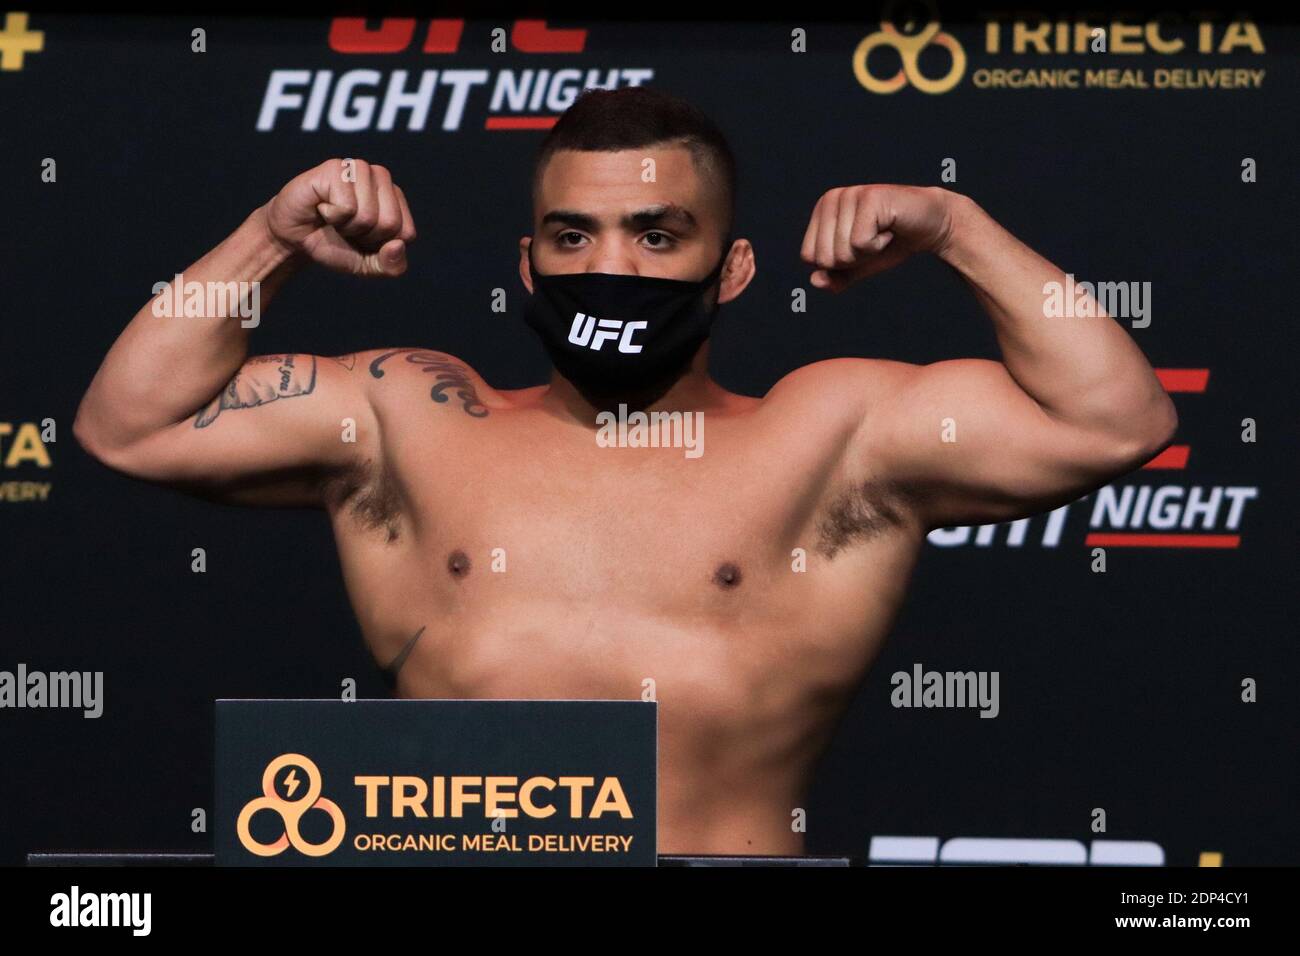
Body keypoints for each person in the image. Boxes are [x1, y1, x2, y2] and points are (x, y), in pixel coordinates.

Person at [73, 87, 1176, 854]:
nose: (610, 267)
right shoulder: (411, 413)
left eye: (657, 234)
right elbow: (130, 424)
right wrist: (272, 233)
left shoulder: (832, 434)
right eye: (573, 235)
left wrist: (956, 226)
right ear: (528, 260)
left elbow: (1113, 418)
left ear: (731, 266)